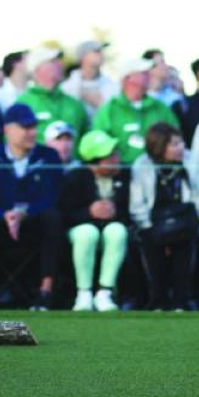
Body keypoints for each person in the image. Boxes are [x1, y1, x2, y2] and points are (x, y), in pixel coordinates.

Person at [0, 104, 63, 310]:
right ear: (8, 129)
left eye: (33, 127)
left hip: (34, 223)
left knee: (53, 217)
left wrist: (25, 214)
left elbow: (52, 196)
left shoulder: (49, 156)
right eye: (25, 127)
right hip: (0, 224)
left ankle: (45, 291)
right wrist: (4, 215)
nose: (32, 132)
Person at [129, 123, 199, 310]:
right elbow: (137, 204)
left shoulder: (192, 161)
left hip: (185, 220)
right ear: (159, 146)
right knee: (148, 242)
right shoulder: (142, 164)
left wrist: (198, 222)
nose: (180, 148)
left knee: (186, 242)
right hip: (152, 222)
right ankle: (157, 300)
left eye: (180, 143)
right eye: (174, 144)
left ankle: (182, 300)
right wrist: (148, 226)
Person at [59, 130, 129, 311]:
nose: (116, 158)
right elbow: (64, 214)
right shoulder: (75, 177)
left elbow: (130, 212)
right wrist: (89, 212)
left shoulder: (124, 176)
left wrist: (115, 212)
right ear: (94, 162)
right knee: (86, 233)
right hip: (81, 229)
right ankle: (84, 293)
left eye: (115, 153)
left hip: (110, 227)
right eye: (109, 156)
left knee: (117, 231)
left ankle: (105, 293)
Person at [92, 57, 180, 165]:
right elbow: (98, 143)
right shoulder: (108, 110)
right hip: (121, 172)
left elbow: (176, 138)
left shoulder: (161, 108)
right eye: (143, 73)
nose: (149, 75)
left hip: (156, 172)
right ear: (128, 78)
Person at [17, 47, 89, 141]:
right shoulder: (22, 104)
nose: (61, 64)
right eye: (53, 61)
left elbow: (86, 139)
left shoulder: (74, 104)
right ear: (39, 68)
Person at [62, 40, 120, 120]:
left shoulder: (113, 86)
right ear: (83, 56)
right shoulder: (66, 88)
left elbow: (117, 117)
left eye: (101, 51)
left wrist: (101, 105)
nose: (101, 54)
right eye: (96, 51)